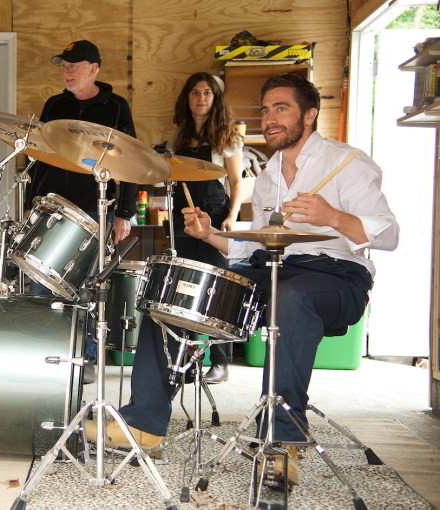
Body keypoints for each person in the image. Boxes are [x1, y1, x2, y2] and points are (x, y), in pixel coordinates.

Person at [86, 72, 399, 488]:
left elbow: (389, 234)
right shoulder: (269, 174)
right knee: (175, 287)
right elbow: (258, 246)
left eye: (281, 109)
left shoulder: (346, 162)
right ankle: (144, 420)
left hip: (337, 276)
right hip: (275, 268)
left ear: (310, 114)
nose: (270, 118)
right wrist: (210, 235)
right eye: (266, 110)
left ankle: (282, 438)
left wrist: (334, 217)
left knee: (289, 297)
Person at [24, 40, 138, 383]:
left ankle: (85, 356)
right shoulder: (54, 104)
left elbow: (131, 161)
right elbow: (39, 156)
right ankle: (47, 351)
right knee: (40, 278)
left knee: (84, 286)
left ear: (94, 69)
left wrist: (125, 213)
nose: (67, 72)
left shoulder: (116, 107)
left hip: (95, 209)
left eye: (74, 66)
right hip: (52, 204)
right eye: (63, 66)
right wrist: (31, 198)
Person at [153, 72, 245, 384]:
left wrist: (232, 215)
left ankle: (220, 361)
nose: (201, 98)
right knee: (185, 286)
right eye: (195, 92)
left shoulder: (227, 136)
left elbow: (235, 182)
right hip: (183, 218)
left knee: (217, 288)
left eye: (207, 93)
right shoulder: (176, 137)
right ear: (187, 98)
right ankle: (187, 358)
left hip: (215, 216)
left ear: (215, 99)